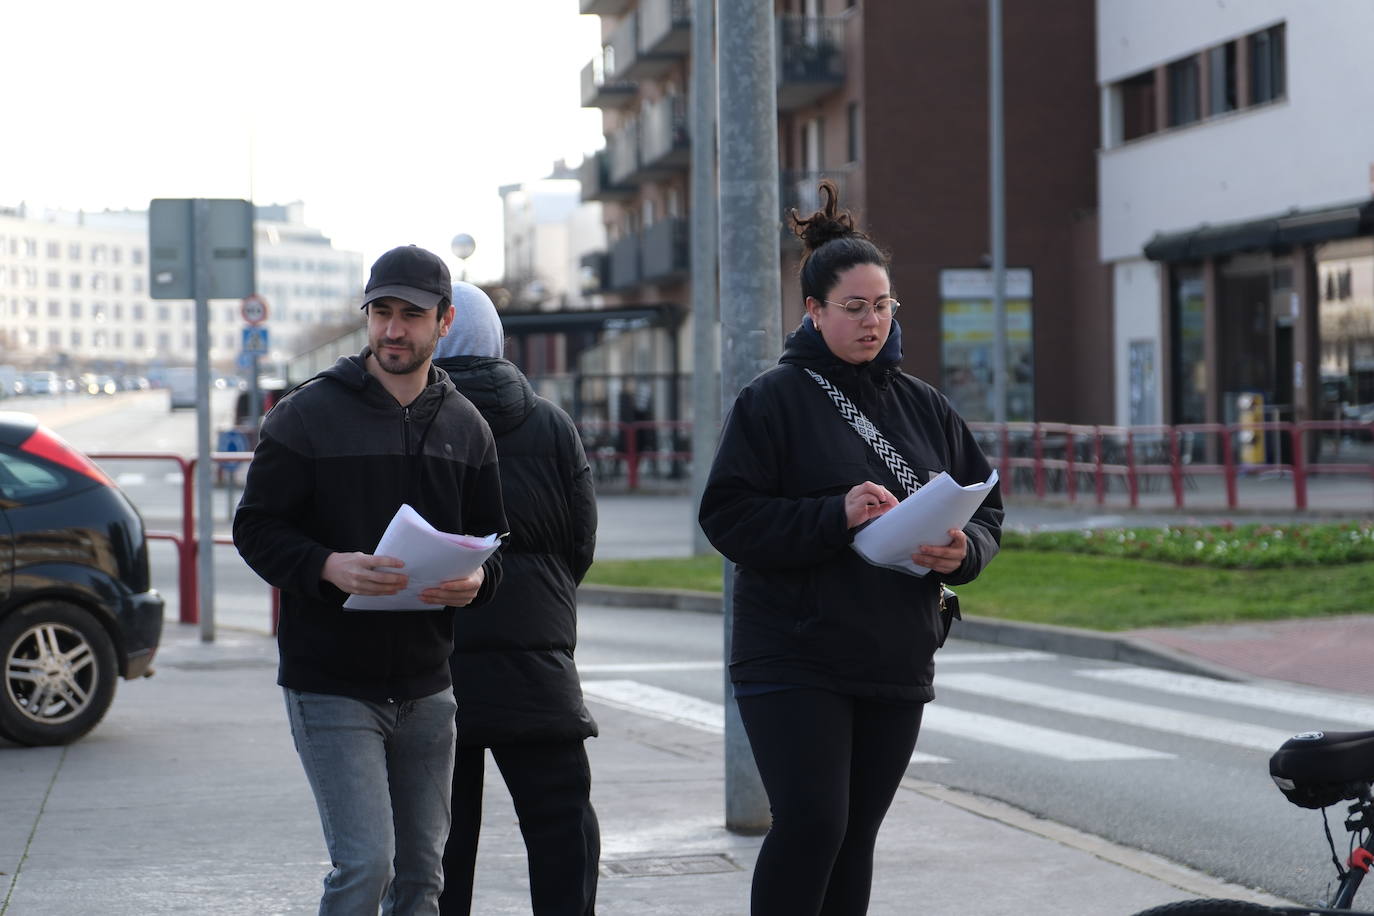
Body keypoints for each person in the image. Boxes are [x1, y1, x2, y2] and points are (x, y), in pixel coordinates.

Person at [698, 180, 1003, 916]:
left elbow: (988, 506)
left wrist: (963, 552)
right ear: (813, 311)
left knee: (855, 835)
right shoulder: (773, 399)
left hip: (894, 648)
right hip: (793, 653)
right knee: (812, 825)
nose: (874, 322)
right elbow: (728, 516)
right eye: (855, 308)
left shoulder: (924, 403)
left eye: (884, 305)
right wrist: (832, 515)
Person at [233, 245, 508, 915]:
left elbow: (494, 547)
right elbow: (256, 528)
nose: (392, 329)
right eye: (381, 312)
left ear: (444, 322)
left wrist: (476, 581)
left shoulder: (468, 427)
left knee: (423, 878)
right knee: (365, 866)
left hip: (427, 688)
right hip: (330, 685)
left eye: (410, 315)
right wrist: (327, 565)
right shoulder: (305, 416)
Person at [432, 281, 600, 916]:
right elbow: (579, 543)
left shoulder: (409, 416)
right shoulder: (552, 424)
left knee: (439, 840)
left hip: (432, 662)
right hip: (537, 662)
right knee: (561, 827)